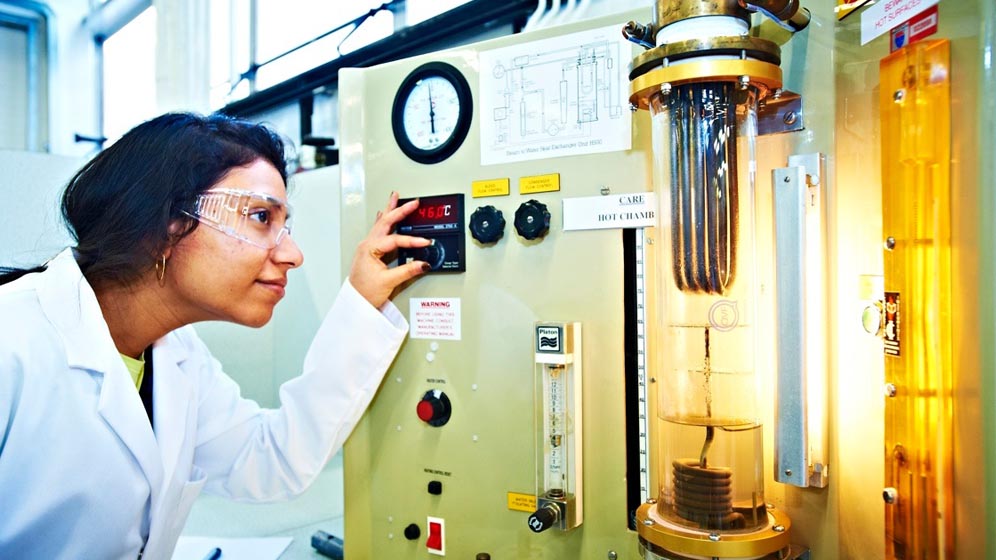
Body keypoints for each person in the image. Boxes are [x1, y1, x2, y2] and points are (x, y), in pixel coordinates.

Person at [0, 112, 431, 559]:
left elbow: (270, 459)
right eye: (261, 217)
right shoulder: (12, 342)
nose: (293, 254)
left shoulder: (176, 353)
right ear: (164, 224)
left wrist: (361, 302)